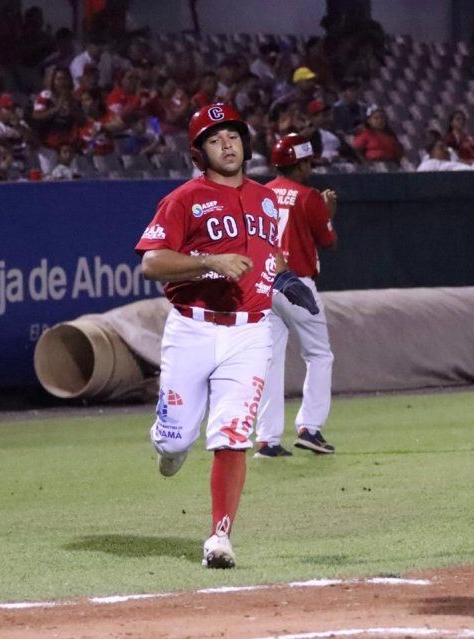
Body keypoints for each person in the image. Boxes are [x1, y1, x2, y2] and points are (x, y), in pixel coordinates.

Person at [135, 104, 319, 569]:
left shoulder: (264, 199)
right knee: (176, 442)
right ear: (200, 152)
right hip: (192, 327)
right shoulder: (184, 199)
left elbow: (267, 256)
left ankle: (220, 537)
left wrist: (285, 276)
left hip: (250, 334)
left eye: (233, 135)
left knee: (232, 435)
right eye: (215, 139)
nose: (227, 144)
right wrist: (208, 261)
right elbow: (151, 264)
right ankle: (168, 438)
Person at [256, 133, 337, 458]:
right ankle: (310, 428)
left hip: (265, 283)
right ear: (299, 163)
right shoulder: (309, 196)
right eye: (307, 162)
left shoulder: (261, 193)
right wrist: (328, 212)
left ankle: (268, 439)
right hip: (297, 283)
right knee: (319, 355)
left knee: (271, 359)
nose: (309, 167)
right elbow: (328, 242)